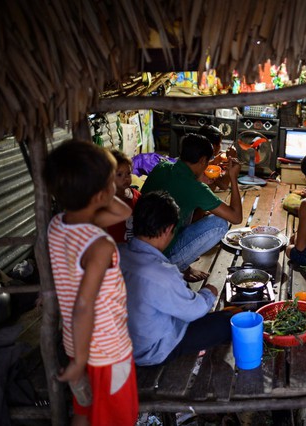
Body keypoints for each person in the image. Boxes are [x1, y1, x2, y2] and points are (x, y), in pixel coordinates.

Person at [44, 140, 138, 425]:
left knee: (85, 409)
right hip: (106, 350)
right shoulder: (98, 246)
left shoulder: (58, 225)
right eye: (113, 181)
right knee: (115, 419)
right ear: (100, 195)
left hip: (75, 342)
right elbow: (84, 306)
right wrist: (80, 362)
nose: (118, 186)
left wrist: (101, 191)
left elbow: (125, 212)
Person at [119, 191, 232, 365]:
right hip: (149, 351)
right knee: (225, 323)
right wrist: (209, 292)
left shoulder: (117, 252)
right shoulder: (162, 274)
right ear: (168, 230)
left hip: (120, 344)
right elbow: (195, 311)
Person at [141, 133, 243, 282]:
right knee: (219, 224)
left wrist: (197, 177)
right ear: (202, 160)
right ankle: (176, 268)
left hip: (140, 250)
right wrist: (233, 178)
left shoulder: (161, 167)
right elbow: (236, 217)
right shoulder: (196, 188)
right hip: (161, 260)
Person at [106, 149, 141, 243]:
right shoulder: (105, 201)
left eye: (128, 173)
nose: (126, 178)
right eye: (119, 174)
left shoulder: (137, 196)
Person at [197, 124, 238, 191]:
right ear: (213, 146)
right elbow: (224, 186)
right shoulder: (203, 167)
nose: (220, 147)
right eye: (219, 144)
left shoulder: (194, 157)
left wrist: (215, 161)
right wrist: (231, 160)